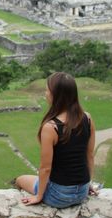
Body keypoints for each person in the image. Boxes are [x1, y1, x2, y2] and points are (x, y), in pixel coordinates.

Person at [15, 72, 97, 208]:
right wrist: (88, 184)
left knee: (20, 180)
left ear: (56, 95)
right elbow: (89, 156)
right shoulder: (87, 118)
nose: (46, 93)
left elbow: (45, 168)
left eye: (47, 90)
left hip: (59, 196)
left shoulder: (51, 127)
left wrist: (39, 196)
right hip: (82, 192)